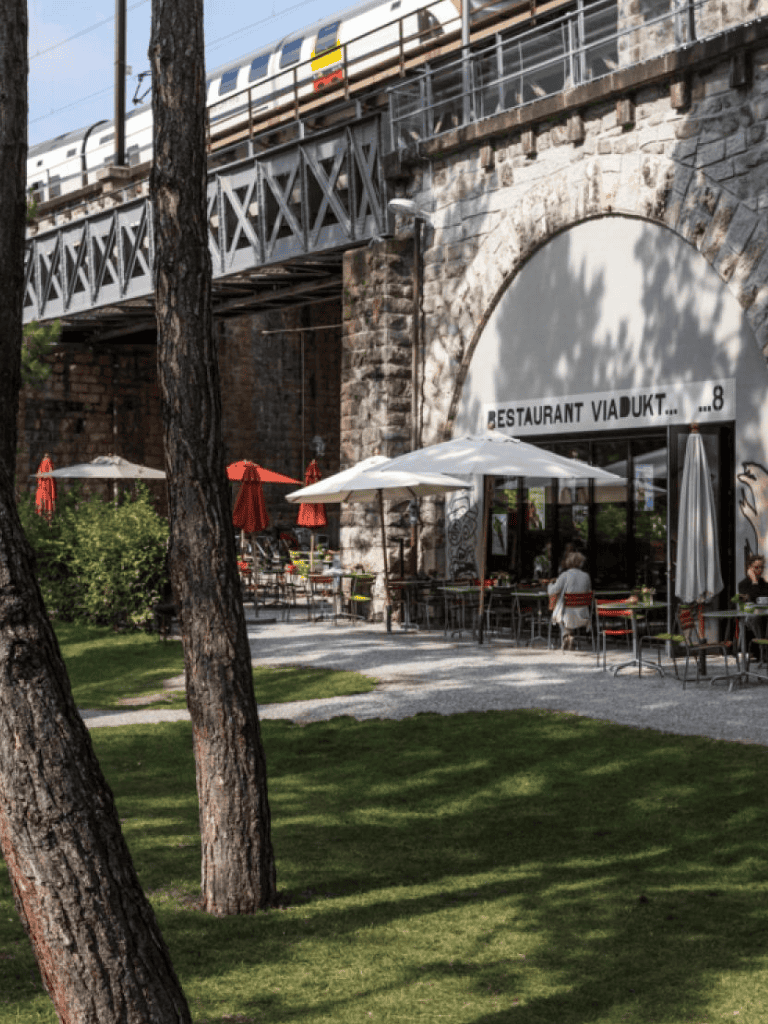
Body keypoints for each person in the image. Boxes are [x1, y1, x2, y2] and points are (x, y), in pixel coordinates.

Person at [548, 551, 592, 650]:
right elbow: (589, 592)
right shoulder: (586, 576)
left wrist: (550, 584)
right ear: (581, 563)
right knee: (564, 611)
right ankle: (569, 636)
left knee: (557, 613)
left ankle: (567, 635)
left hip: (567, 616)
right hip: (583, 615)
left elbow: (552, 591)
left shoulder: (565, 575)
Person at [738, 554, 768, 646]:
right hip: (750, 614)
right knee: (756, 619)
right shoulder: (743, 584)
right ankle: (763, 648)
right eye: (756, 567)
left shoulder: (764, 584)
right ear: (749, 568)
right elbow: (753, 598)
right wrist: (754, 581)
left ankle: (764, 648)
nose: (759, 570)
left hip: (765, 613)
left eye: (761, 567)